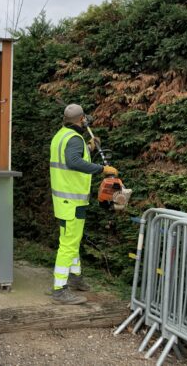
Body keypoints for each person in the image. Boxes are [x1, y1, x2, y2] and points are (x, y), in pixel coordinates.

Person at [49, 104, 118, 305]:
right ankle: (60, 290)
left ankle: (76, 278)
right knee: (68, 245)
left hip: (64, 200)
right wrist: (101, 169)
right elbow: (73, 161)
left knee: (71, 241)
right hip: (72, 201)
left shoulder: (61, 135)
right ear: (81, 120)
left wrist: (90, 147)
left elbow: (73, 156)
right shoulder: (74, 139)